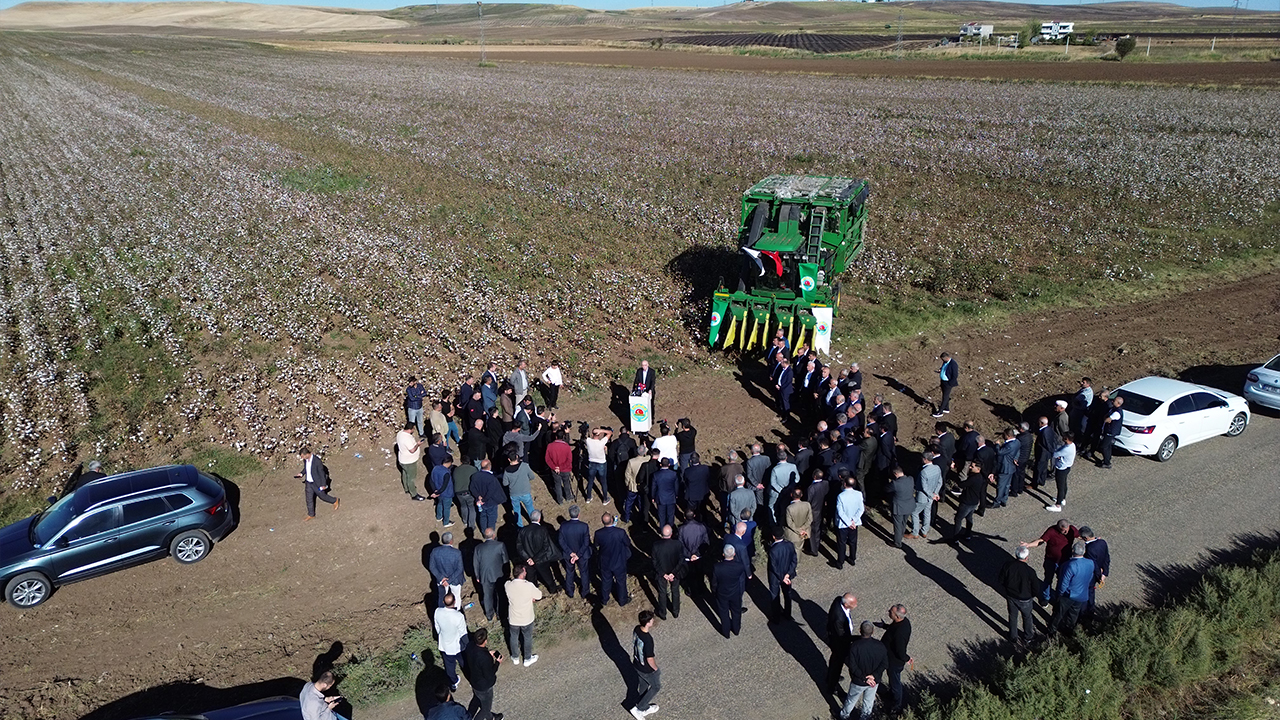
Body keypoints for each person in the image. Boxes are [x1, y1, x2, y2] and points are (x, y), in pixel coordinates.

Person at [1021, 519, 1080, 605]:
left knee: (1062, 580)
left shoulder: (1072, 530)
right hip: (1051, 561)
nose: (1066, 532)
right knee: (1048, 580)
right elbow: (1041, 541)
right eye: (1064, 531)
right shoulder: (1051, 531)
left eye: (1067, 530)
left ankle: (1058, 597)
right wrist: (1028, 545)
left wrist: (1093, 539)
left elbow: (1080, 536)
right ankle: (1046, 597)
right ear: (1059, 528)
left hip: (1064, 561)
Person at [841, 621, 888, 720]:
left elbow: (852, 666)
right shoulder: (880, 646)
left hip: (858, 681)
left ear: (860, 631)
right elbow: (885, 664)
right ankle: (865, 718)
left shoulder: (854, 646)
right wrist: (873, 675)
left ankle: (844, 716)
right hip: (874, 681)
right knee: (868, 702)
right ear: (873, 632)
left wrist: (864, 678)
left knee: (851, 700)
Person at [1047, 540, 1095, 636]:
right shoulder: (1090, 563)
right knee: (1073, 615)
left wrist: (1060, 594)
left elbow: (1063, 583)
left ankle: (1052, 631)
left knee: (1058, 613)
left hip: (1068, 595)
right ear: (1084, 552)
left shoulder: (1070, 565)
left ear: (1073, 551)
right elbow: (1090, 577)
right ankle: (1068, 631)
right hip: (1081, 594)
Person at [461, 627, 504, 720]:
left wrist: (487, 653)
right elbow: (489, 675)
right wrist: (497, 663)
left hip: (474, 681)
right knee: (486, 708)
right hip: (484, 687)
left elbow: (476, 657)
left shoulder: (470, 646)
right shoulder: (485, 658)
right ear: (485, 641)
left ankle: (491, 718)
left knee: (477, 699)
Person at [999, 545, 1039, 645]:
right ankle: (1028, 636)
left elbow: (1001, 580)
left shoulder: (1008, 566)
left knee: (1013, 616)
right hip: (1025, 598)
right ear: (1026, 558)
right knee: (1027, 617)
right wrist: (1031, 595)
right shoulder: (1030, 571)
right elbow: (1036, 588)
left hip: (1011, 596)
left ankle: (1013, 636)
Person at [504, 564, 543, 667]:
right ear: (522, 575)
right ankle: (527, 658)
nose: (526, 573)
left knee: (513, 637)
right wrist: (531, 597)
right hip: (527, 618)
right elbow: (539, 595)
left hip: (513, 618)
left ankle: (515, 657)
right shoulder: (528, 586)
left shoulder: (508, 585)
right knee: (527, 637)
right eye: (525, 571)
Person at [517, 510, 559, 592]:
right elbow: (546, 547)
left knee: (531, 577)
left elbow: (519, 546)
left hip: (527, 560)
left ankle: (534, 592)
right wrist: (534, 559)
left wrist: (527, 558)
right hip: (541, 559)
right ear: (539, 518)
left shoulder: (522, 530)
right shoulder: (542, 530)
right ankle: (553, 589)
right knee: (547, 575)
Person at [595, 513, 633, 607]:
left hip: (605, 562)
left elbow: (596, 545)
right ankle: (622, 600)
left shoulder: (598, 533)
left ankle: (604, 599)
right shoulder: (620, 532)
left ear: (602, 522)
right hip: (619, 562)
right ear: (612, 520)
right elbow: (627, 543)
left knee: (605, 581)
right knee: (621, 581)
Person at [434, 592, 469, 691]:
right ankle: (470, 678)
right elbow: (463, 633)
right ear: (455, 602)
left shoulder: (437, 611)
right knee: (464, 663)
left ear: (443, 602)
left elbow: (437, 627)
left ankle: (453, 682)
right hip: (457, 646)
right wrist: (468, 645)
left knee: (449, 666)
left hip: (444, 645)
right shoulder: (458, 616)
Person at [881, 604, 912, 714]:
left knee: (895, 684)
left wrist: (906, 658)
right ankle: (892, 695)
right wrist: (886, 626)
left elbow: (900, 651)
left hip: (894, 662)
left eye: (891, 612)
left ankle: (896, 705)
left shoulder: (900, 633)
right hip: (891, 659)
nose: (888, 611)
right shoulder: (903, 622)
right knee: (893, 681)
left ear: (897, 616)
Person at [711, 544, 747, 638]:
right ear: (734, 554)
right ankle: (736, 630)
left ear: (723, 554)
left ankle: (726, 633)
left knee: (724, 613)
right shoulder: (740, 566)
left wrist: (714, 591)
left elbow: (714, 583)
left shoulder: (717, 567)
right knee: (736, 612)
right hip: (735, 592)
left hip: (722, 593)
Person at [630, 610, 661, 719]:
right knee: (656, 686)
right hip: (646, 669)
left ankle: (643, 706)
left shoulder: (637, 629)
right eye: (651, 619)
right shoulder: (648, 640)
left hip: (637, 664)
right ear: (648, 622)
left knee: (643, 685)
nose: (653, 620)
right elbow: (649, 659)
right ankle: (640, 708)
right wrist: (656, 669)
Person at [472, 527, 508, 621]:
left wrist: (477, 576)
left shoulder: (478, 548)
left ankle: (489, 615)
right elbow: (505, 561)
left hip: (485, 576)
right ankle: (500, 614)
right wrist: (506, 574)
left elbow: (476, 563)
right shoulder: (500, 545)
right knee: (500, 594)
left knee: (487, 596)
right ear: (493, 535)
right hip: (499, 575)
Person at [652, 524, 686, 620]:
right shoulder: (677, 544)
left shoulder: (656, 545)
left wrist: (663, 574)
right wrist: (673, 573)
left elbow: (654, 562)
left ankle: (663, 613)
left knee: (662, 593)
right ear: (671, 534)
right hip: (674, 572)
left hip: (661, 573)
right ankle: (675, 611)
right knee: (675, 591)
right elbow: (680, 560)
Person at [825, 593, 858, 691]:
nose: (855, 606)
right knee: (837, 663)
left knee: (834, 660)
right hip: (839, 643)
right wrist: (858, 638)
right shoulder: (838, 619)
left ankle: (830, 677)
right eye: (853, 605)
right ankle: (832, 686)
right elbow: (843, 637)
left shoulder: (839, 600)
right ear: (846, 605)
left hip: (836, 638)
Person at [296, 447, 339, 520]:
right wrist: (302, 473)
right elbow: (306, 468)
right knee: (309, 498)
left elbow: (321, 474)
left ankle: (334, 500)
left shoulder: (317, 461)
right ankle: (311, 514)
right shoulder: (305, 460)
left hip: (317, 482)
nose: (302, 458)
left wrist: (323, 484)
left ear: (307, 454)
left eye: (303, 456)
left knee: (322, 496)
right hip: (308, 482)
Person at [559, 505, 592, 599]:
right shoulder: (584, 526)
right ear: (579, 514)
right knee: (584, 572)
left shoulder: (563, 526)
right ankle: (585, 592)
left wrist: (570, 553)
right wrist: (578, 554)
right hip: (582, 554)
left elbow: (561, 541)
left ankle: (570, 592)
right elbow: (586, 543)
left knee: (569, 572)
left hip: (568, 555)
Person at [948, 461, 986, 543]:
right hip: (974, 501)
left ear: (978, 469)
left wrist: (957, 480)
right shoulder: (981, 477)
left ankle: (955, 539)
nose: (970, 467)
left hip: (967, 502)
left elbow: (962, 484)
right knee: (969, 517)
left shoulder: (973, 478)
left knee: (958, 519)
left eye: (972, 466)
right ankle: (967, 535)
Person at [909, 452, 942, 540]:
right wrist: (935, 493)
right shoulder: (937, 468)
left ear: (925, 459)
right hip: (932, 495)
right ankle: (924, 531)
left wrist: (931, 495)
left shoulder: (924, 472)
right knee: (927, 512)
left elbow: (924, 487)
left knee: (914, 512)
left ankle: (915, 532)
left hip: (923, 496)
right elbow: (940, 482)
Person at [767, 527, 798, 623]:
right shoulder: (790, 545)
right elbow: (794, 560)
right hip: (787, 576)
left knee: (775, 595)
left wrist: (782, 577)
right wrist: (788, 574)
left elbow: (774, 567)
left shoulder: (773, 550)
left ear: (773, 536)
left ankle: (776, 618)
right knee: (788, 594)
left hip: (775, 577)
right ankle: (788, 614)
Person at [1080, 526, 1111, 618]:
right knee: (1091, 593)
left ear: (1085, 538)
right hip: (1099, 572)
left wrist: (1099, 576)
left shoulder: (1090, 549)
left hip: (1091, 575)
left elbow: (1094, 566)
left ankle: (1084, 613)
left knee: (1086, 593)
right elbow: (1107, 558)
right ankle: (1091, 610)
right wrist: (1105, 572)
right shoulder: (1102, 542)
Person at [429, 531, 465, 608]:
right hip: (455, 580)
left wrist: (442, 578)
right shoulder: (457, 553)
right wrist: (449, 580)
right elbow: (459, 569)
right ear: (451, 541)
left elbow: (432, 567)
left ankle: (442, 610)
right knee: (456, 596)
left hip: (441, 581)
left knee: (441, 597)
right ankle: (457, 611)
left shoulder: (435, 551)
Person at [834, 476, 864, 568]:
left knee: (841, 543)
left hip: (843, 524)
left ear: (845, 484)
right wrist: (853, 521)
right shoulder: (858, 494)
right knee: (853, 541)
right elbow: (861, 509)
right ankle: (852, 558)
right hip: (854, 523)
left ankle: (840, 562)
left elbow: (840, 512)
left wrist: (848, 522)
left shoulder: (841, 496)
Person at [501, 454, 537, 527]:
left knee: (516, 511)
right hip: (525, 492)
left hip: (514, 494)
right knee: (530, 508)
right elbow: (532, 477)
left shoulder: (507, 470)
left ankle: (519, 527)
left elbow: (505, 483)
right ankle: (534, 523)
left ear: (509, 459)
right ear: (517, 457)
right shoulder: (524, 466)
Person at [678, 510, 709, 594]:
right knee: (699, 573)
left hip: (688, 558)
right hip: (699, 556)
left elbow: (681, 545)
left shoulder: (681, 529)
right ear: (694, 515)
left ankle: (692, 591)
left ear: (684, 517)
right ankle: (701, 589)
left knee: (690, 575)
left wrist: (689, 555)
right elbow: (706, 542)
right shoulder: (702, 527)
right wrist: (697, 554)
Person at [471, 459, 505, 533]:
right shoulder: (491, 478)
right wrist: (484, 499)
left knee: (482, 517)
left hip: (480, 502)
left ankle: (484, 532)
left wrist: (478, 497)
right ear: (489, 466)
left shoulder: (475, 476)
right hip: (490, 502)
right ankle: (490, 533)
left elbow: (472, 488)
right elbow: (491, 492)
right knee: (491, 518)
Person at [395, 423, 427, 502]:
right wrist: (418, 444)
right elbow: (412, 450)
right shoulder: (407, 439)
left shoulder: (400, 433)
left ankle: (406, 488)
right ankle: (414, 494)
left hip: (402, 459)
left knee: (405, 474)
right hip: (409, 461)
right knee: (411, 478)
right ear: (411, 429)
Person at [1046, 431, 1076, 512]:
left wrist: (1057, 455)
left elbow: (1055, 454)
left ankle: (1058, 505)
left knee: (1060, 486)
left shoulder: (1066, 449)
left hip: (1061, 468)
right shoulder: (1072, 445)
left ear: (1066, 438)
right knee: (1064, 484)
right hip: (1067, 467)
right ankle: (1062, 498)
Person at [583, 427, 613, 504]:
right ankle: (605, 499)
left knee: (590, 481)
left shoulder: (588, 441)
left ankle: (588, 497)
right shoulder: (602, 442)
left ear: (592, 434)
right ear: (599, 435)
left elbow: (583, 437)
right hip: (601, 463)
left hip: (592, 463)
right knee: (603, 482)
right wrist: (602, 430)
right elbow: (610, 433)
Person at [545, 430, 576, 505]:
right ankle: (568, 497)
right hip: (565, 469)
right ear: (563, 437)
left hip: (554, 470)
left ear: (556, 437)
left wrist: (555, 467)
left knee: (557, 484)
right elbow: (569, 460)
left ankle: (560, 500)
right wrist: (561, 468)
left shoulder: (550, 446)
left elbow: (547, 459)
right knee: (566, 483)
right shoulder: (567, 447)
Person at [993, 428, 1020, 509]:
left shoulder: (1009, 445)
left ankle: (997, 502)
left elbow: (1000, 453)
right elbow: (1018, 450)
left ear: (1008, 436)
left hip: (1005, 467)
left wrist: (997, 445)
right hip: (1011, 467)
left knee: (1001, 486)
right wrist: (1016, 457)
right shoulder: (1017, 442)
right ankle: (1004, 500)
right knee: (1007, 485)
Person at [769, 445, 798, 520]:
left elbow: (773, 483)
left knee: (771, 506)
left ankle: (774, 522)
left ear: (777, 458)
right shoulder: (793, 466)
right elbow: (797, 479)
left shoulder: (775, 469)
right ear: (786, 457)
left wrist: (781, 490)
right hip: (790, 491)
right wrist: (790, 487)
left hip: (778, 492)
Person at [888, 466, 914, 549]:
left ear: (895, 474)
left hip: (899, 507)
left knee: (897, 525)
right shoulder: (910, 479)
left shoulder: (895, 484)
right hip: (909, 505)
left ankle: (897, 542)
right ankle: (901, 534)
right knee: (904, 522)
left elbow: (887, 489)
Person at [805, 469, 830, 557]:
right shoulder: (825, 483)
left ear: (814, 476)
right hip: (822, 508)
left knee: (813, 530)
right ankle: (817, 543)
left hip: (814, 511)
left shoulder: (811, 488)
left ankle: (814, 549)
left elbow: (808, 501)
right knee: (818, 528)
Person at [652, 459, 680, 530]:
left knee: (661, 516)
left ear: (661, 464)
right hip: (671, 497)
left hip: (661, 498)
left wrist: (653, 496)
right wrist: (676, 494)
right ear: (669, 465)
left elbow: (653, 487)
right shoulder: (673, 474)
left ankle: (662, 530)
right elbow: (676, 486)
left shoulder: (656, 475)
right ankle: (670, 529)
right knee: (670, 515)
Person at [1097, 396, 1124, 469]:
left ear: (1118, 403)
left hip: (1111, 431)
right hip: (1108, 430)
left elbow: (1107, 419)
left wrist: (1106, 418)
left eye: (1114, 401)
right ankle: (1107, 459)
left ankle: (1107, 462)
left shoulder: (1117, 413)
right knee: (1108, 446)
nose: (1112, 401)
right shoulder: (1113, 409)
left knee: (1104, 446)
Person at [682, 452, 711, 520]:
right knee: (703, 510)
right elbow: (708, 478)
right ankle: (704, 522)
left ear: (691, 461)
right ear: (699, 460)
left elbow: (685, 481)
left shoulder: (687, 471)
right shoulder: (705, 468)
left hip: (692, 495)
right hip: (703, 493)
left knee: (691, 510)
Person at [783, 487, 812, 551]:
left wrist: (799, 531)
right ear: (801, 495)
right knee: (798, 551)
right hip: (804, 533)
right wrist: (803, 529)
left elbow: (789, 523)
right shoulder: (807, 505)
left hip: (792, 534)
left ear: (791, 495)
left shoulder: (789, 508)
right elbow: (810, 519)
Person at [452, 456, 477, 530]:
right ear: (469, 462)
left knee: (463, 506)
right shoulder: (473, 469)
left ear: (461, 462)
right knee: (471, 507)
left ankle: (465, 521)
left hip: (458, 492)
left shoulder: (456, 470)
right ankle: (471, 525)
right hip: (469, 491)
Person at [430, 455, 456, 527]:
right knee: (447, 508)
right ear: (449, 462)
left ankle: (439, 516)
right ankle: (446, 522)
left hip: (438, 491)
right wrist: (438, 492)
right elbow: (444, 486)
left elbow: (431, 480)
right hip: (446, 493)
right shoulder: (446, 473)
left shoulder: (435, 468)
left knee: (440, 503)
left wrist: (435, 491)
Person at [932, 352, 959, 418]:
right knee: (944, 395)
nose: (942, 361)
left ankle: (940, 412)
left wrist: (950, 384)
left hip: (948, 383)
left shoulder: (953, 364)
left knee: (945, 397)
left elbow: (955, 375)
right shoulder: (945, 362)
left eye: (943, 359)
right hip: (943, 381)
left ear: (946, 358)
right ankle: (946, 408)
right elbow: (944, 368)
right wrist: (941, 370)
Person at [1033, 416, 1056, 490]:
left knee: (1038, 468)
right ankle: (1042, 481)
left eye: (1039, 422)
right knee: (1044, 468)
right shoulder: (1049, 429)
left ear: (1042, 423)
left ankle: (1035, 483)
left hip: (1042, 454)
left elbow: (1047, 444)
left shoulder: (1044, 432)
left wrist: (1052, 451)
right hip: (1046, 454)